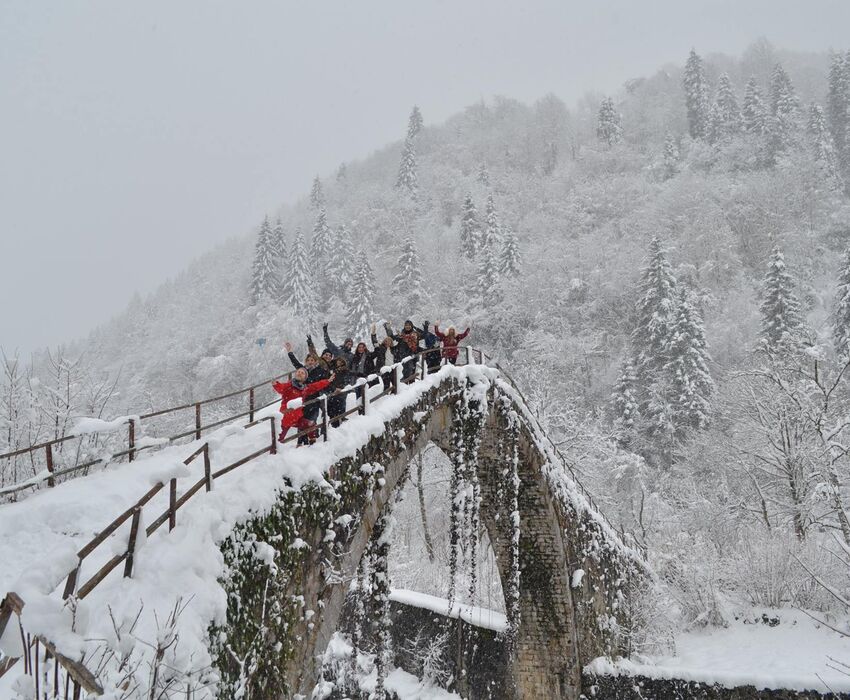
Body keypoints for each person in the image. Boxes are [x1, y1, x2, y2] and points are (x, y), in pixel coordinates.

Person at [273, 368, 332, 444]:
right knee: (279, 439)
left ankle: (313, 442)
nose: (300, 373)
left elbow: (316, 386)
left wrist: (327, 381)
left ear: (305, 378)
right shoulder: (289, 385)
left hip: (297, 417)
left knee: (310, 424)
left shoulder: (305, 388)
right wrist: (276, 384)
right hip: (286, 416)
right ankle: (274, 452)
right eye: (298, 372)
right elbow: (281, 388)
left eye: (302, 373)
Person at [284, 341, 330, 431]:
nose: (310, 362)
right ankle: (301, 441)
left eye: (312, 360)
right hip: (304, 397)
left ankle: (314, 438)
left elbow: (318, 382)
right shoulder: (304, 370)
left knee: (312, 419)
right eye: (308, 360)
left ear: (315, 361)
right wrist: (290, 352)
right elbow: (296, 363)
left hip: (314, 398)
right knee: (302, 419)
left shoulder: (320, 370)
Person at [324, 357, 355, 427]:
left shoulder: (345, 370)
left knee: (340, 407)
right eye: (338, 361)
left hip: (341, 392)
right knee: (331, 410)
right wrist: (334, 388)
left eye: (341, 362)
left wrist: (362, 374)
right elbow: (328, 380)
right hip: (332, 391)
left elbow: (352, 374)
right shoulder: (331, 369)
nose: (339, 363)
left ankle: (340, 422)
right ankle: (333, 424)